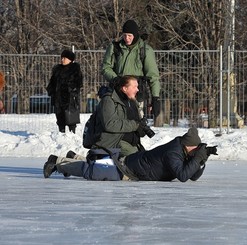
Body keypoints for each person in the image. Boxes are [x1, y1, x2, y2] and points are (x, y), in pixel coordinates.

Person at [43, 75, 149, 178]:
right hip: (112, 142)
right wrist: (135, 125)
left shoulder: (132, 102)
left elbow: (133, 123)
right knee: (107, 170)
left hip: (128, 142)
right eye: (135, 86)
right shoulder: (109, 100)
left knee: (138, 162)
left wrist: (141, 128)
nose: (138, 89)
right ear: (125, 88)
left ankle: (75, 158)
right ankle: (57, 163)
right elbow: (110, 124)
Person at [43, 127, 215, 182]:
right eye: (196, 148)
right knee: (92, 172)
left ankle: (73, 157)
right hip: (126, 169)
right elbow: (184, 176)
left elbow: (193, 176)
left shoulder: (182, 150)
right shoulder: (174, 153)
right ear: (188, 146)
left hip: (132, 168)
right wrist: (198, 157)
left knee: (98, 167)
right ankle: (57, 162)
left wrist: (201, 159)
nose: (196, 151)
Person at [101, 19, 161, 120]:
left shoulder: (145, 50)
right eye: (124, 35)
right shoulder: (114, 48)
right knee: (116, 122)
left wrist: (155, 98)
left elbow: (153, 76)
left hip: (136, 94)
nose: (127, 38)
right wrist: (115, 79)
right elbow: (106, 68)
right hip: (117, 92)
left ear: (135, 35)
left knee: (135, 123)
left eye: (129, 35)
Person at [46, 49, 83, 133]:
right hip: (58, 98)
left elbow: (78, 83)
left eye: (64, 58)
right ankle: (61, 134)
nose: (62, 60)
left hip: (70, 97)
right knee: (60, 118)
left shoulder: (75, 70)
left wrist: (72, 90)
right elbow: (52, 82)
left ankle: (72, 134)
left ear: (70, 59)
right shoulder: (57, 70)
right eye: (62, 58)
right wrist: (51, 91)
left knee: (71, 118)